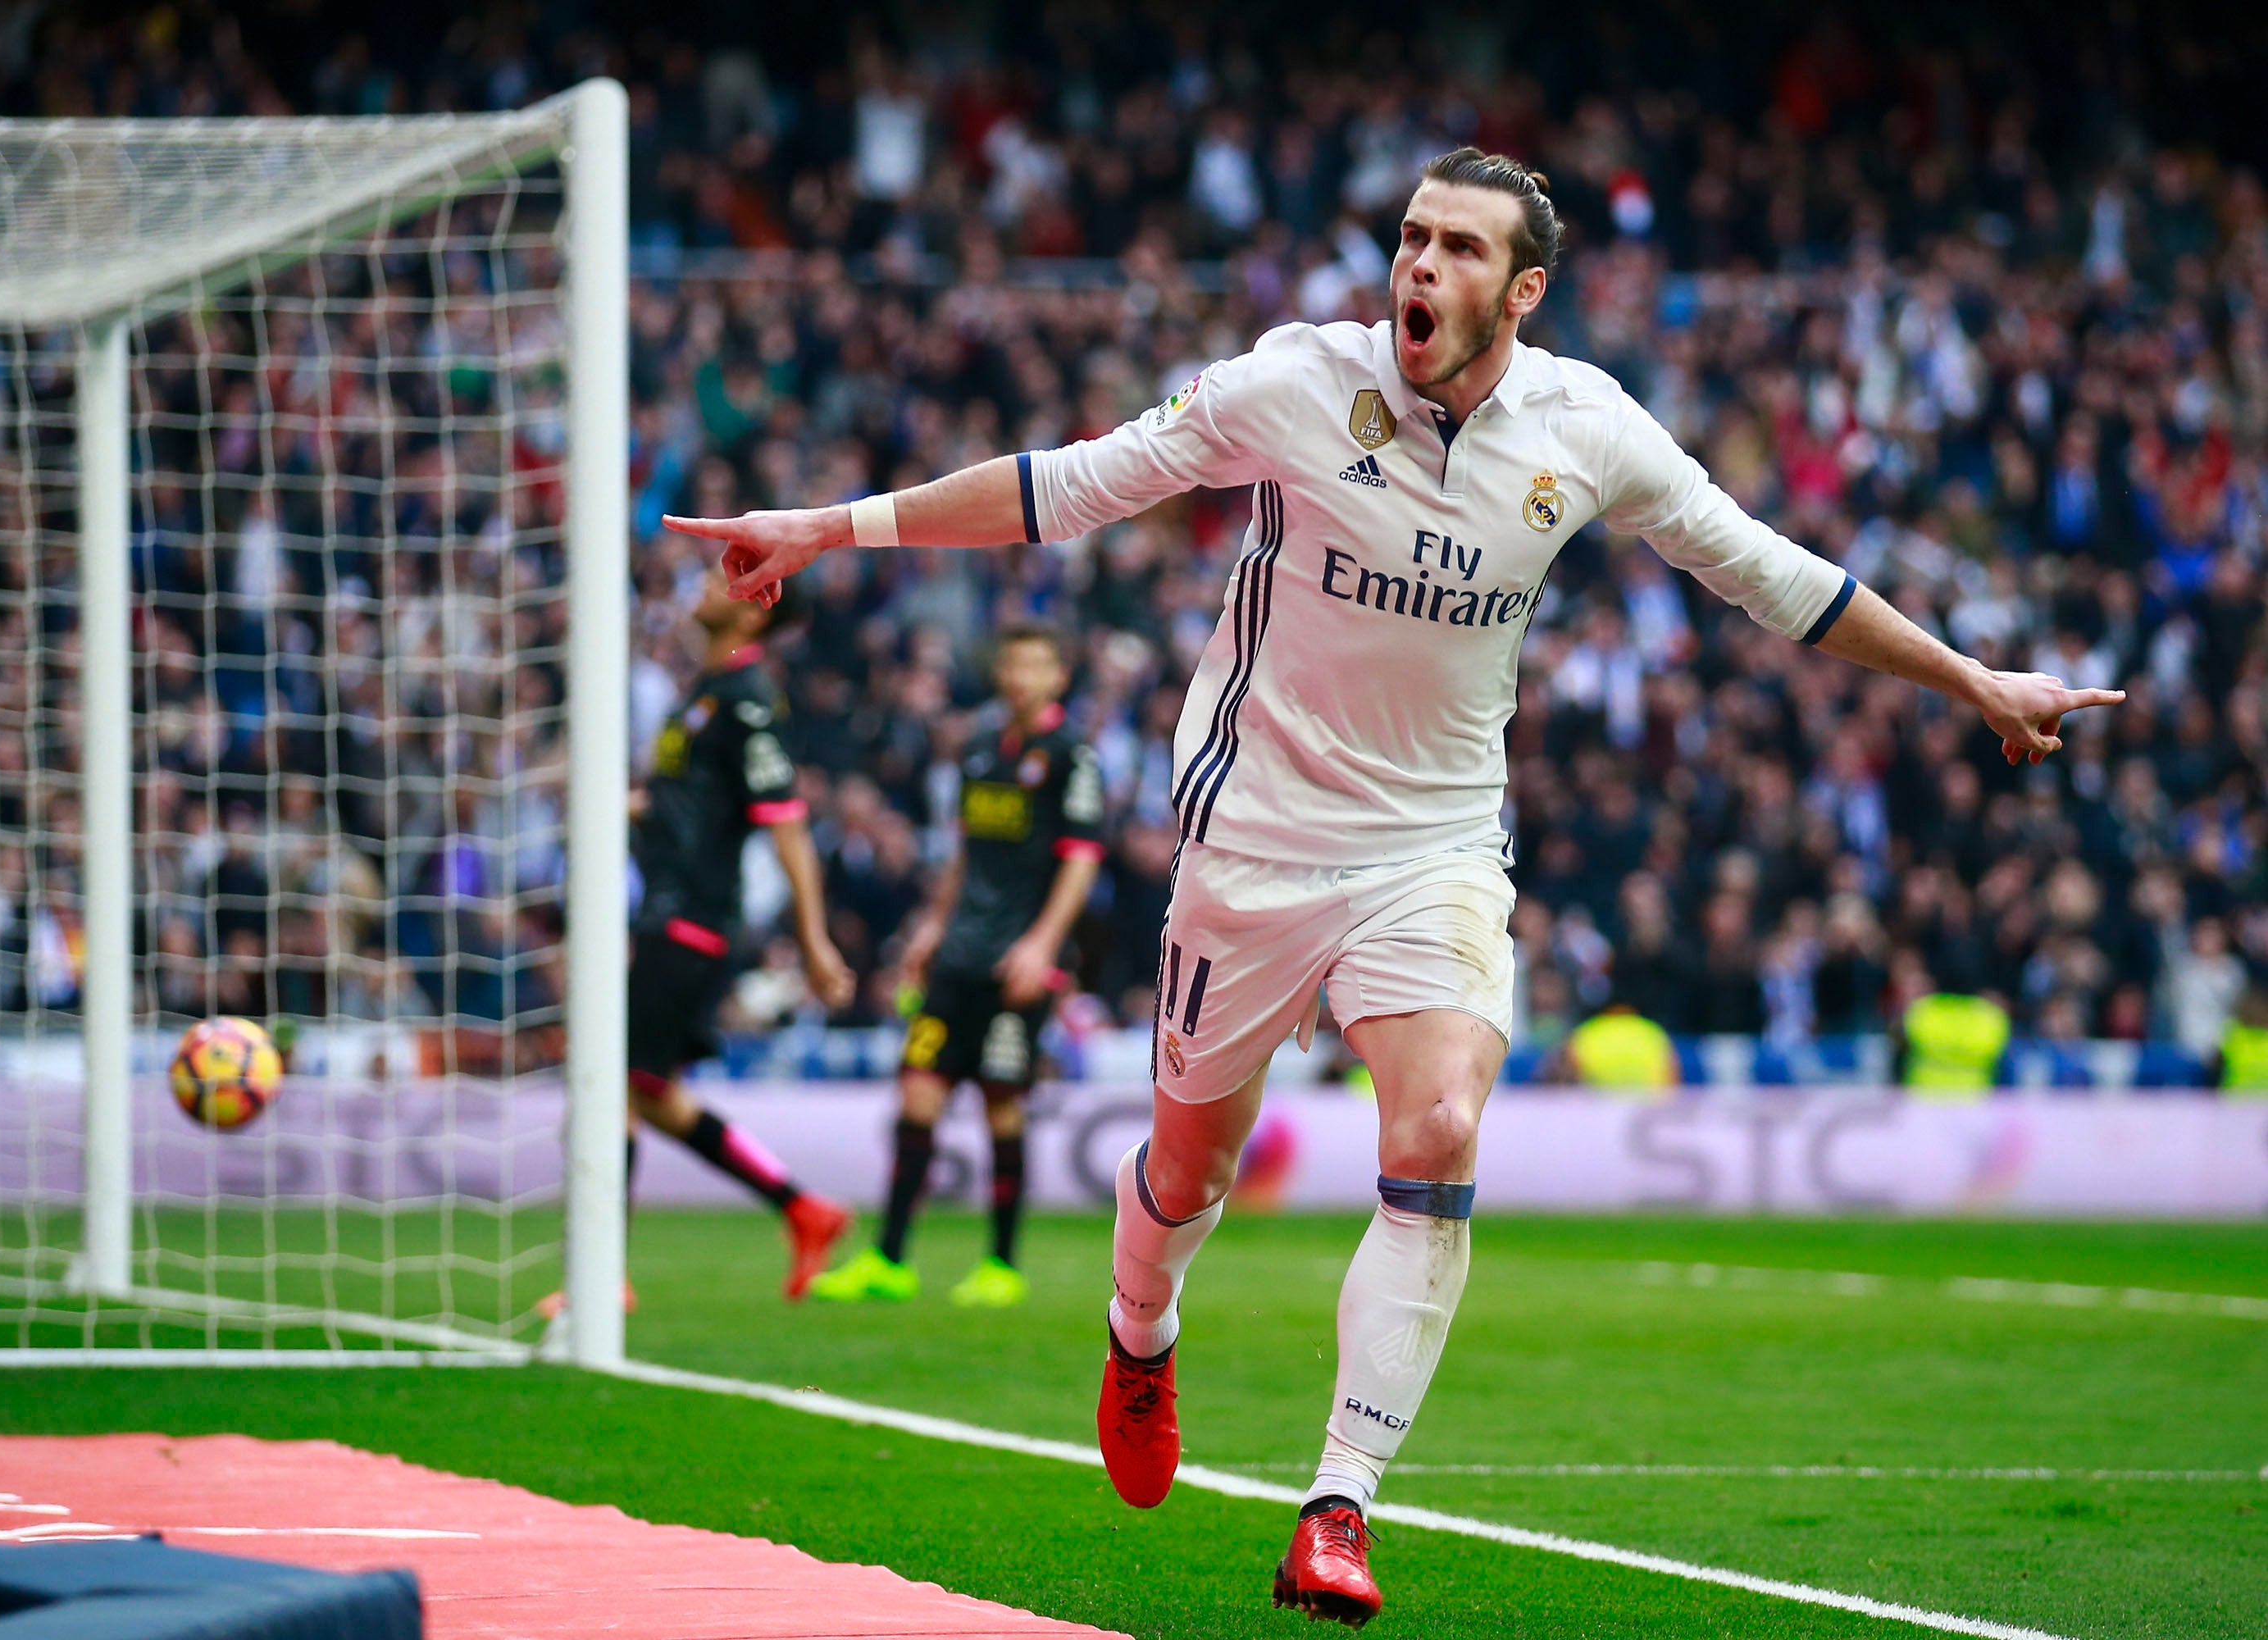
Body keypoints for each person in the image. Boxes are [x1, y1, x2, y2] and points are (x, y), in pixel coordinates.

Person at [666, 148, 2122, 1624]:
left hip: (1433, 846)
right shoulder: (1291, 384)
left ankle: (1339, 1505)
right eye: (1410, 239)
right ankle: (1140, 1329)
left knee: (1436, 1127)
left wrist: (1967, 678)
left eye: (1458, 249)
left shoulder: (1587, 426)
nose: (1418, 268)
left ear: (1524, 288)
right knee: (1186, 1180)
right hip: (1255, 841)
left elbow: (1768, 572)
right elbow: (1069, 490)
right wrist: (823, 528)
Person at [549, 567, 857, 1325]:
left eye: (731, 581)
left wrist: (813, 941)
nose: (709, 584)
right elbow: (690, 805)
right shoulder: (702, 694)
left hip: (689, 920)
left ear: (752, 619)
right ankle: (802, 1207)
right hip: (666, 911)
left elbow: (785, 823)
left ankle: (603, 1277)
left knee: (610, 1084)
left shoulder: (748, 703)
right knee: (652, 1095)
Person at [811, 625, 1106, 1308]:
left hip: (1020, 960)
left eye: (1034, 664)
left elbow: (1081, 858)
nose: (1020, 676)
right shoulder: (978, 750)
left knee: (1001, 1100)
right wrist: (933, 926)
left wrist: (1041, 942)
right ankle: (890, 1259)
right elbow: (968, 851)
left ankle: (1002, 1263)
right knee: (918, 1091)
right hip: (961, 952)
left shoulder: (1072, 758)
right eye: (1011, 663)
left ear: (1058, 676)